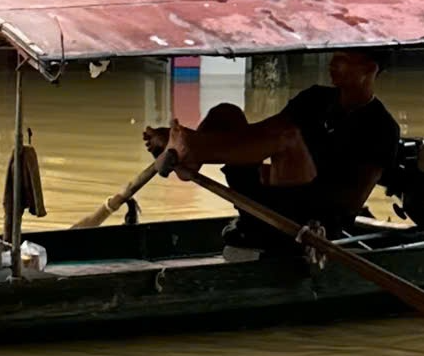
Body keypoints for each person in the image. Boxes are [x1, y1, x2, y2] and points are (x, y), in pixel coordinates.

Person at [146, 49, 401, 251]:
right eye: (334, 56)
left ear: (369, 69)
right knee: (226, 113)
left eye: (343, 60)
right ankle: (191, 155)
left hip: (310, 222)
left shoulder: (383, 127)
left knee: (288, 137)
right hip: (272, 200)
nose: (332, 63)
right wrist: (251, 164)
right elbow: (261, 133)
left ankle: (191, 148)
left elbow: (350, 204)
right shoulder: (315, 98)